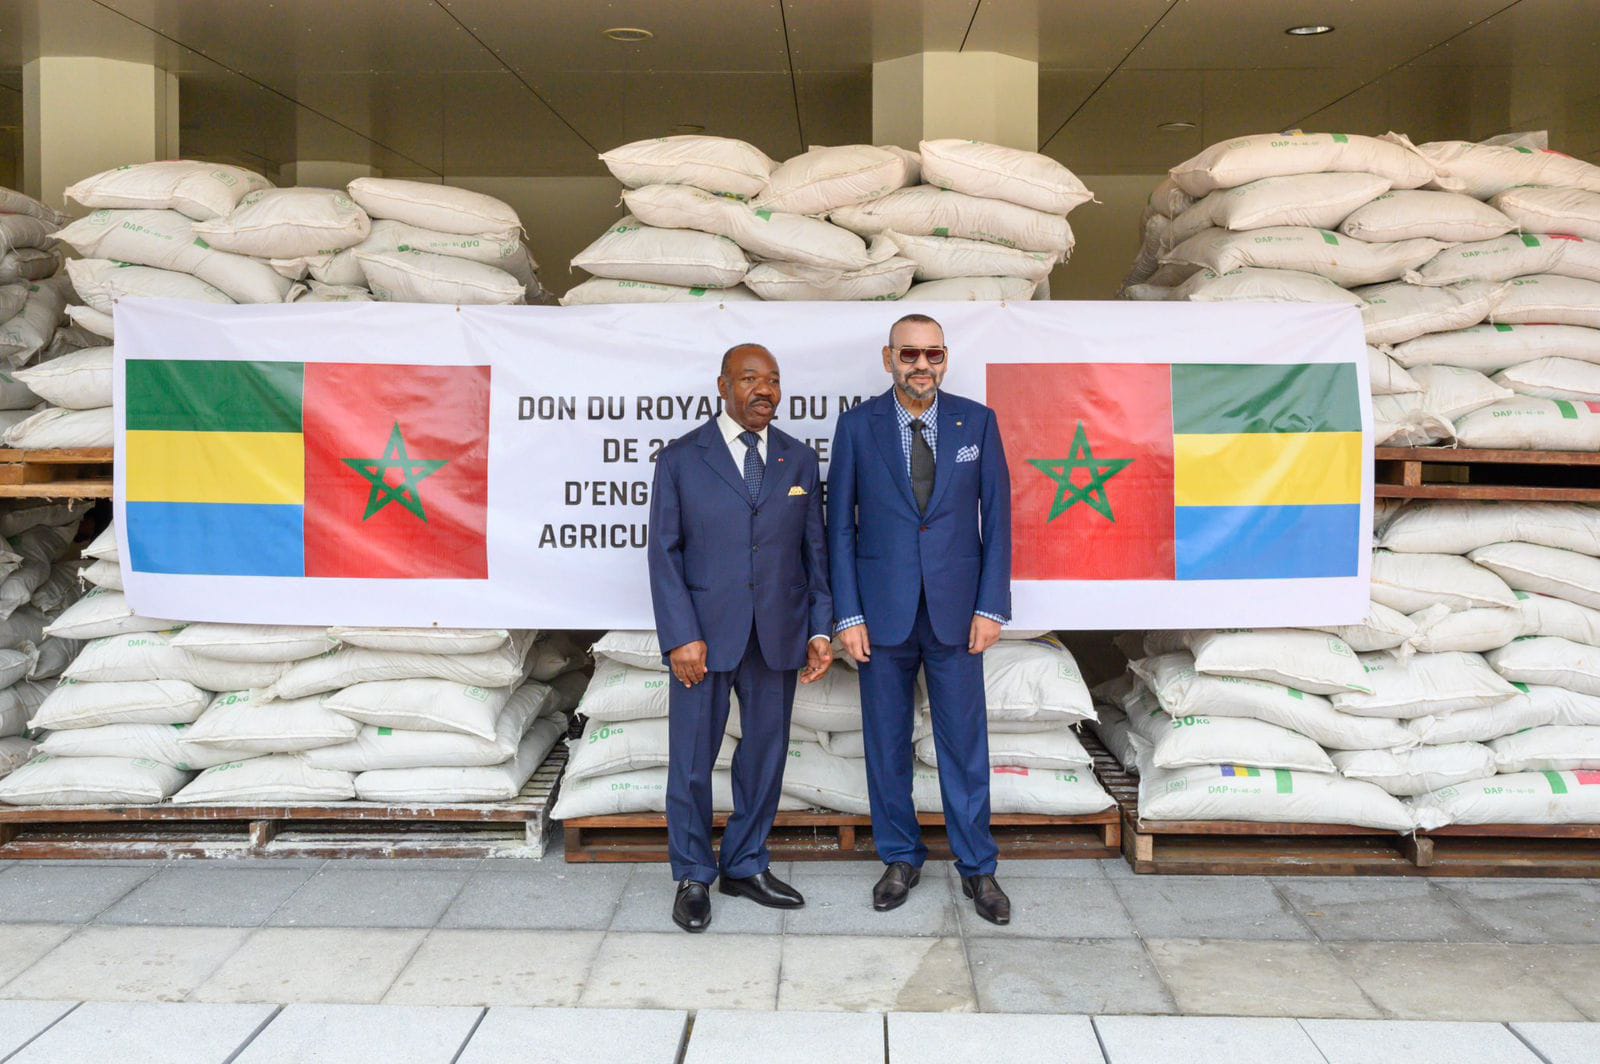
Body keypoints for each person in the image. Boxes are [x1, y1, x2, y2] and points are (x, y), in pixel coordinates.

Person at [826, 312, 1014, 925]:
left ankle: (977, 867)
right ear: (888, 360)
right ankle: (901, 858)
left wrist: (991, 606)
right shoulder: (858, 427)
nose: (921, 365)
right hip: (881, 617)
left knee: (964, 745)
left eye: (933, 354)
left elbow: (999, 522)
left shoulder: (977, 423)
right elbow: (839, 531)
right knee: (886, 744)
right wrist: (847, 613)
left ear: (945, 359)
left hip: (959, 616)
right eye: (910, 354)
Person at [648, 342, 834, 933]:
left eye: (774, 380)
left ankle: (746, 863)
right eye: (751, 378)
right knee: (693, 761)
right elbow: (664, 554)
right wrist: (681, 635)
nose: (765, 391)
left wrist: (820, 626)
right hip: (703, 637)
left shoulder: (798, 460)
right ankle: (693, 875)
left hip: (777, 633)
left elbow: (815, 551)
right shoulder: (681, 459)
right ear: (722, 386)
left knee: (765, 754)